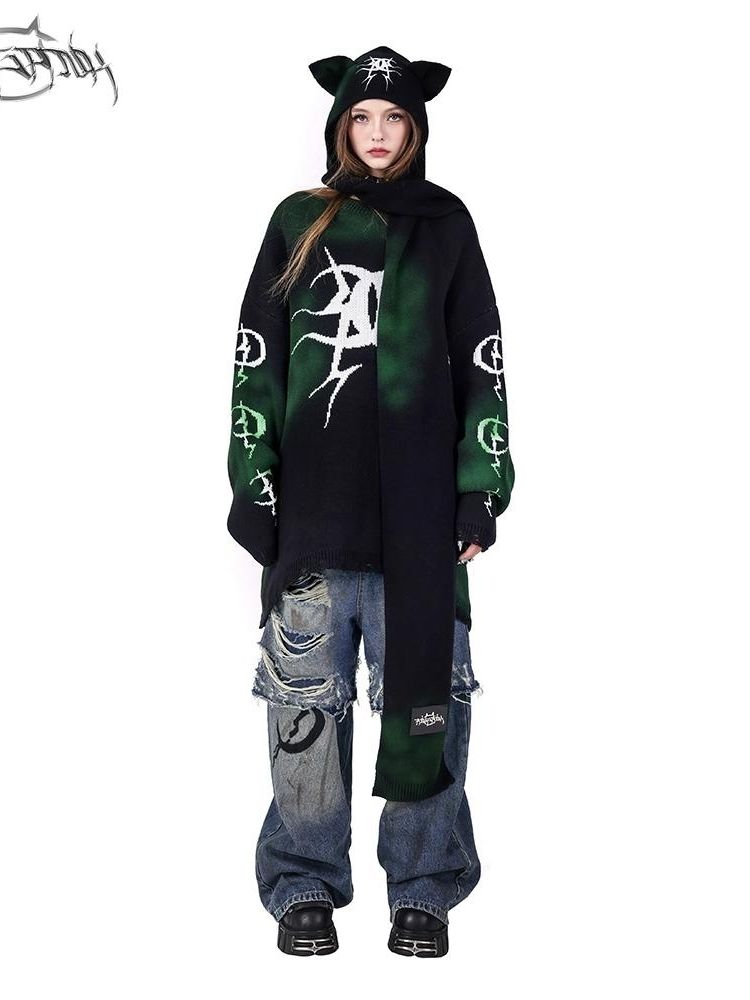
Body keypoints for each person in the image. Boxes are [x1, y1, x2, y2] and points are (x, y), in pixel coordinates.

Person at [227, 45, 515, 957]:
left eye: (394, 118)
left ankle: (423, 887)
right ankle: (304, 879)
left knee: (428, 700)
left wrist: (480, 490)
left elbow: (482, 362)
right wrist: (254, 483)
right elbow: (256, 357)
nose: (379, 134)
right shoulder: (299, 221)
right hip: (315, 514)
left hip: (421, 522)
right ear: (340, 124)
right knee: (305, 703)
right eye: (363, 117)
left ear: (416, 127)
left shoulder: (447, 225)